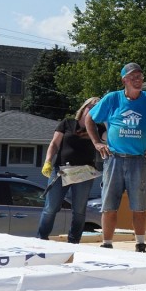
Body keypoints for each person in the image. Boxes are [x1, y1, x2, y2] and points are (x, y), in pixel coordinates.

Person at [86, 62, 146, 252]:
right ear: (124, 80)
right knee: (109, 205)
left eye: (140, 77)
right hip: (114, 158)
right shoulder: (112, 99)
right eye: (133, 77)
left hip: (139, 160)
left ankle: (140, 244)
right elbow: (89, 118)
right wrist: (97, 143)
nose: (138, 80)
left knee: (139, 206)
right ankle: (107, 243)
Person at [37, 96, 104, 243]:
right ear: (84, 107)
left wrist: (105, 117)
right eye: (91, 107)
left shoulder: (99, 128)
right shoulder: (67, 123)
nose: (93, 111)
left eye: (97, 109)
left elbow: (110, 138)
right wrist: (48, 161)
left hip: (84, 173)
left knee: (79, 211)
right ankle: (41, 238)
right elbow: (54, 144)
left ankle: (74, 241)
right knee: (51, 207)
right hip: (61, 170)